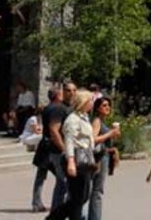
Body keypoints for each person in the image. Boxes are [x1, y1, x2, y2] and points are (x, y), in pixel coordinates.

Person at [46, 89, 95, 220]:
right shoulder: (72, 119)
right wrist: (71, 162)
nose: (92, 103)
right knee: (77, 198)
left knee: (83, 197)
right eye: (90, 100)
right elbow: (69, 141)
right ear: (83, 102)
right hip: (75, 159)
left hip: (85, 159)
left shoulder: (84, 117)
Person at [34, 82, 76, 213]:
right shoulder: (59, 108)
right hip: (53, 146)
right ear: (59, 94)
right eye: (67, 91)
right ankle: (59, 206)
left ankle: (37, 202)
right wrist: (65, 149)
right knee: (62, 178)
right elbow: (54, 130)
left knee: (42, 175)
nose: (71, 93)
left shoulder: (48, 107)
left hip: (46, 144)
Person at [88, 97, 121, 220]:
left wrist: (113, 136)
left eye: (109, 105)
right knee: (97, 191)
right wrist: (110, 133)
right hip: (99, 158)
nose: (108, 107)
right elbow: (93, 139)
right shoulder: (97, 121)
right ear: (97, 108)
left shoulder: (102, 121)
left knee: (96, 191)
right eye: (104, 105)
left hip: (104, 156)